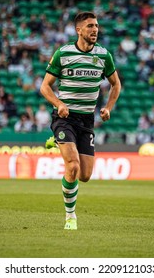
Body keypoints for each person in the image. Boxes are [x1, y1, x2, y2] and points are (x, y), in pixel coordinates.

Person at [40, 12, 121, 230]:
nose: (95, 30)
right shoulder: (63, 53)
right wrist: (59, 104)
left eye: (96, 26)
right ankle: (70, 216)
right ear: (79, 30)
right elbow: (44, 86)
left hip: (87, 120)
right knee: (73, 166)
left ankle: (56, 141)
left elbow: (116, 84)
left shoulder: (104, 56)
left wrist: (108, 108)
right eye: (90, 26)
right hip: (64, 117)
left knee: (85, 175)